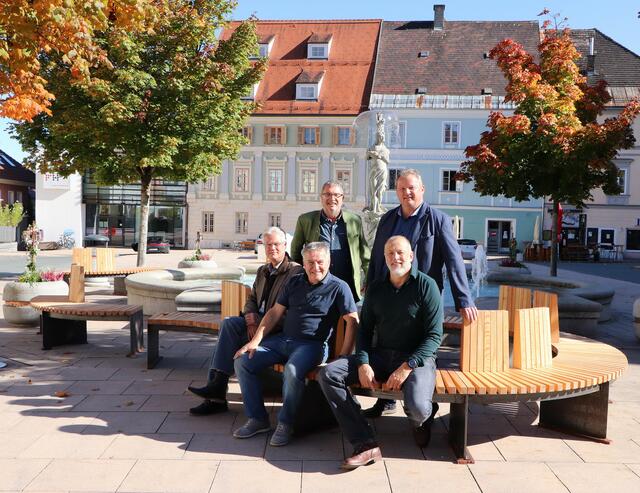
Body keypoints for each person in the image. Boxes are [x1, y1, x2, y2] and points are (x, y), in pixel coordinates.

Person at [319, 236, 443, 469]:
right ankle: (365, 442)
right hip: (381, 355)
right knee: (328, 374)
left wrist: (407, 366)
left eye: (400, 252)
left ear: (411, 256)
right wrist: (364, 362)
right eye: (390, 254)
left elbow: (435, 336)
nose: (395, 257)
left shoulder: (427, 285)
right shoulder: (376, 287)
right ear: (384, 257)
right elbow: (364, 330)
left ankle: (422, 419)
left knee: (417, 406)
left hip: (417, 358)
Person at [364, 168, 478, 417]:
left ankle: (421, 401)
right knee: (384, 343)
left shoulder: (437, 219)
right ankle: (386, 400)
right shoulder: (388, 219)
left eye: (411, 188)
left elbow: (453, 260)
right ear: (397, 192)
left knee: (419, 345)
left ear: (422, 190)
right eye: (402, 189)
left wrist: (463, 299)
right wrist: (370, 283)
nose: (407, 193)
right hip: (390, 295)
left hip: (421, 298)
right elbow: (377, 256)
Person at [232, 242, 359, 447]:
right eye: (310, 262)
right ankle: (258, 419)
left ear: (329, 262)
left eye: (320, 262)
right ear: (303, 263)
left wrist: (344, 356)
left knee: (292, 370)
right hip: (283, 341)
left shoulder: (339, 287)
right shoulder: (295, 282)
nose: (315, 267)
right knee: (244, 360)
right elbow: (274, 312)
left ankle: (286, 423)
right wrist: (254, 342)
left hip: (313, 346)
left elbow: (352, 321)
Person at [187, 227, 302, 415]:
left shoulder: (295, 272)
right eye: (268, 244)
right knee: (228, 324)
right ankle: (216, 387)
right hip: (256, 324)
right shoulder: (263, 270)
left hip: (276, 330)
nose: (272, 248)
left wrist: (259, 329)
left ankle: (216, 393)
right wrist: (250, 320)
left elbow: (287, 312)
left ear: (284, 245)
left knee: (226, 339)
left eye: (276, 244)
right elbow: (252, 300)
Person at [290, 181, 369, 301]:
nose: (332, 198)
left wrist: (369, 280)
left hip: (347, 287)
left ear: (342, 198)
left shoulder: (355, 221)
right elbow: (295, 253)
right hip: (317, 287)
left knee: (348, 319)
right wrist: (303, 278)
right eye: (327, 194)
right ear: (321, 198)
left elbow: (365, 255)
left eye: (337, 195)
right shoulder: (305, 220)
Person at [366, 112, 390, 214]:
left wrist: (378, 155)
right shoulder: (372, 147)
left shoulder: (385, 149)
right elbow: (367, 157)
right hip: (373, 170)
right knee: (373, 190)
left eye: (381, 136)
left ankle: (378, 207)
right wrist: (370, 153)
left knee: (380, 191)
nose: (379, 138)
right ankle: (373, 208)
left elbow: (387, 160)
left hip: (382, 171)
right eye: (378, 136)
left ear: (383, 138)